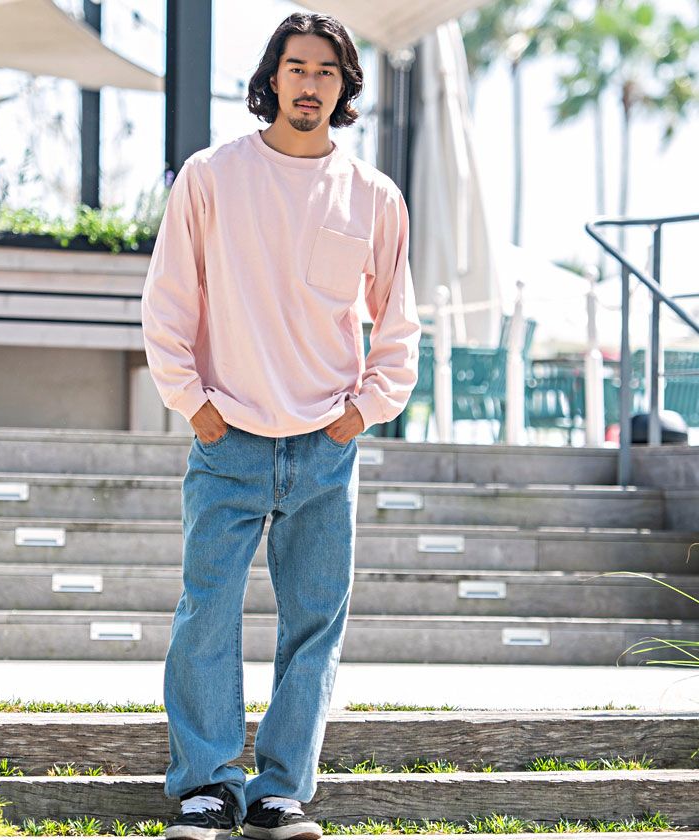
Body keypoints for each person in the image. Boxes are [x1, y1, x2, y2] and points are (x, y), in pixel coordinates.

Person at [141, 11, 421, 840]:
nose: (310, 84)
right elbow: (168, 300)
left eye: (326, 71)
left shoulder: (373, 195)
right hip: (227, 434)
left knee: (315, 624)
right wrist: (195, 404)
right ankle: (206, 786)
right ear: (272, 78)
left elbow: (398, 322)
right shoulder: (212, 176)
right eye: (297, 68)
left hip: (325, 446)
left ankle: (279, 793)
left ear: (345, 87)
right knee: (206, 612)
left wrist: (362, 413)